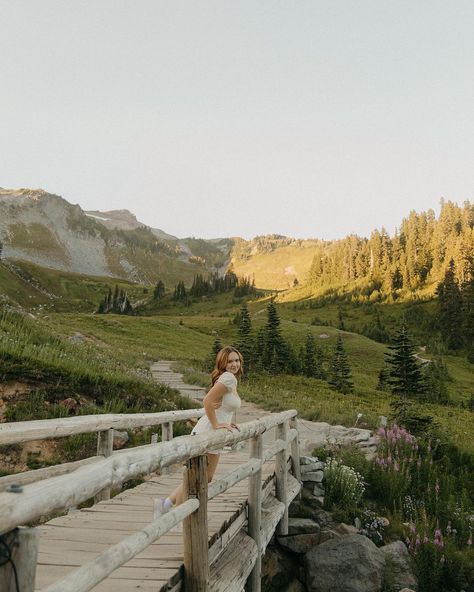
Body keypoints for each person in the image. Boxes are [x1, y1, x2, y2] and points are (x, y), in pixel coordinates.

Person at [154, 345, 243, 521]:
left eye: (237, 360)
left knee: (205, 477)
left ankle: (164, 505)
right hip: (207, 432)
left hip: (211, 433)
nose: (234, 364)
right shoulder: (228, 378)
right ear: (223, 363)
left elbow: (223, 405)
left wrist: (229, 423)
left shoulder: (230, 379)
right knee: (200, 476)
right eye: (230, 361)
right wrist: (217, 424)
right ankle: (177, 515)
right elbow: (208, 400)